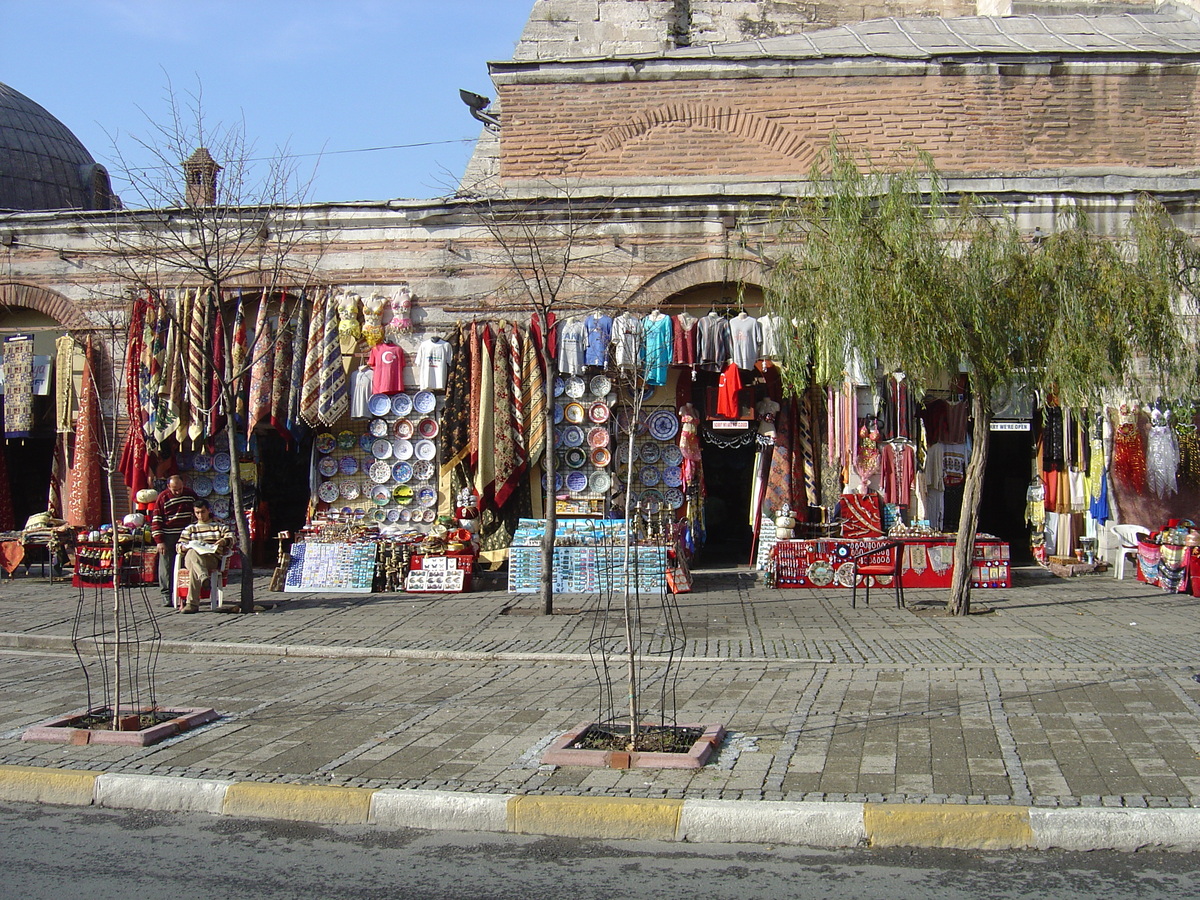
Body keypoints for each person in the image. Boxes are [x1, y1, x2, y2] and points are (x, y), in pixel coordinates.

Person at [174, 499, 233, 613]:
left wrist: (223, 541)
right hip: (192, 557)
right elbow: (179, 546)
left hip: (210, 558)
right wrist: (186, 547)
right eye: (197, 513)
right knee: (192, 553)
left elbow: (231, 538)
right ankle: (203, 578)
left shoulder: (218, 526)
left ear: (208, 510)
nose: (200, 515)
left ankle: (192, 604)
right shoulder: (190, 529)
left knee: (194, 567)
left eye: (203, 512)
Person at [151, 475, 198, 607]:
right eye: (175, 490)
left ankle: (183, 595)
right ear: (168, 487)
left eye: (180, 489)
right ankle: (166, 595)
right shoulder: (163, 497)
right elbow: (156, 520)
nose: (178, 492)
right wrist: (159, 541)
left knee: (184, 565)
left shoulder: (189, 494)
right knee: (166, 566)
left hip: (185, 534)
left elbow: (198, 508)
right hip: (168, 535)